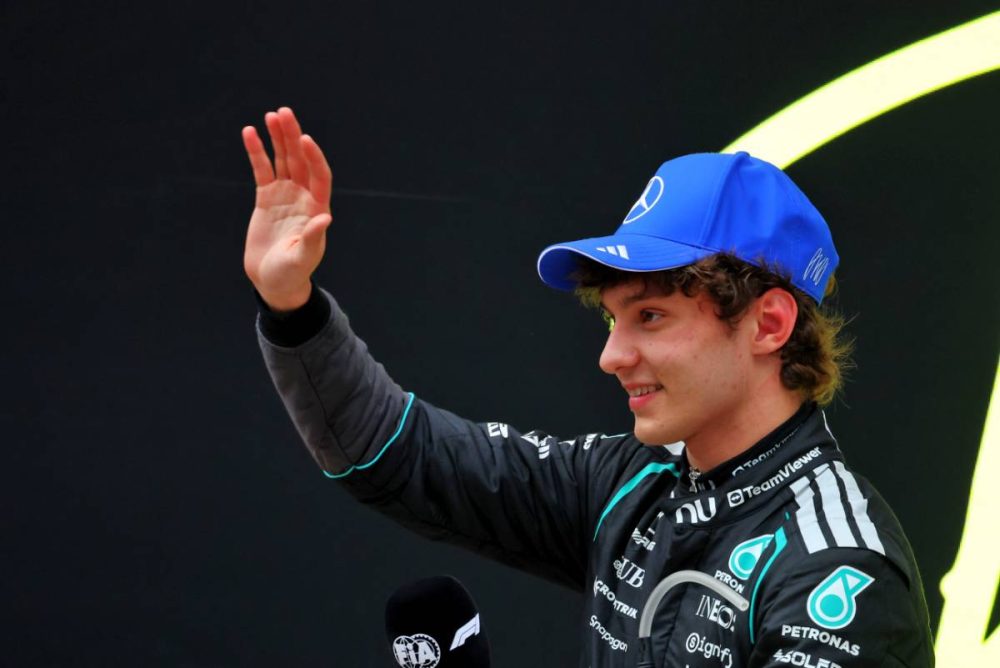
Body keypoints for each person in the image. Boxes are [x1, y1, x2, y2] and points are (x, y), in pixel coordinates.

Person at [242, 107, 934, 667]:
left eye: (650, 317)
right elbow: (396, 453)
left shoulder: (838, 573)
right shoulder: (632, 482)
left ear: (769, 324)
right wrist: (292, 307)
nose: (610, 356)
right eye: (611, 319)